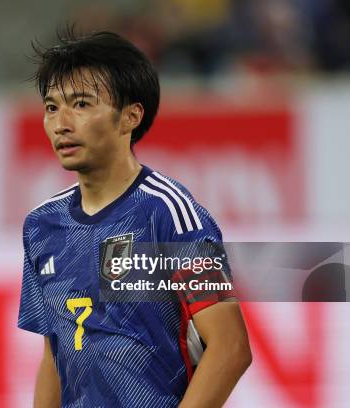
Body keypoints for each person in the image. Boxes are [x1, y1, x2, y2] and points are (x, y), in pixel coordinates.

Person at [17, 29, 251, 408]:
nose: (61, 123)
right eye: (51, 107)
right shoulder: (42, 225)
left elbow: (231, 348)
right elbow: (54, 355)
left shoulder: (170, 213)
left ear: (130, 117)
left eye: (80, 104)